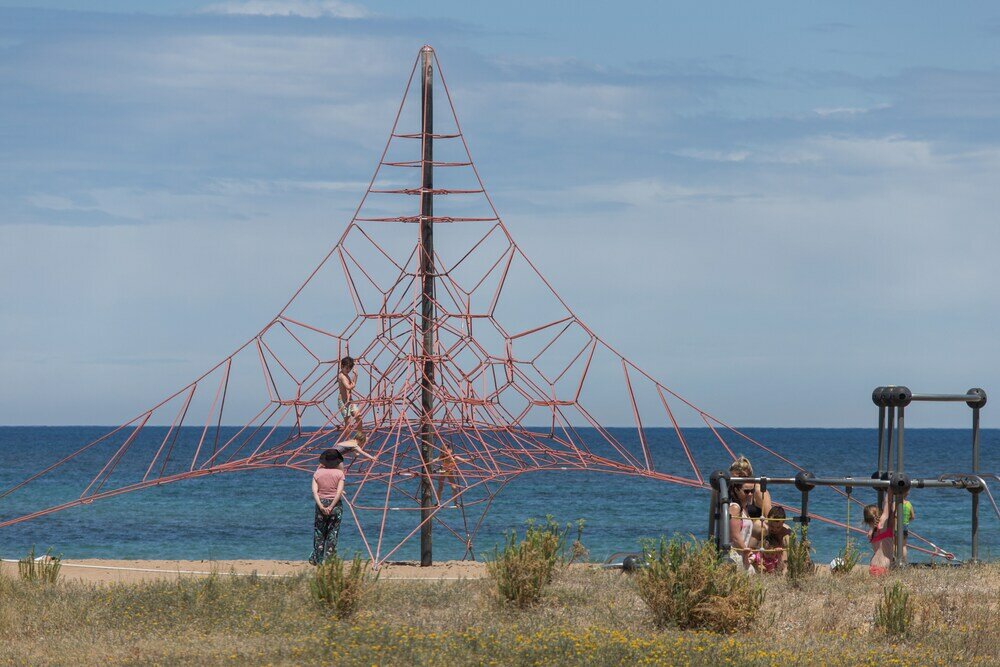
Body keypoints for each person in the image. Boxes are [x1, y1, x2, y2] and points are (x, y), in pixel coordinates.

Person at [309, 448, 345, 566]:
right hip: (335, 505)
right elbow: (339, 492)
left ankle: (317, 559)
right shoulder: (340, 474)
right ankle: (329, 560)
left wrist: (321, 505)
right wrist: (331, 506)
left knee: (319, 532)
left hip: (321, 503)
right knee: (333, 532)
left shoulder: (317, 473)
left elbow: (315, 491)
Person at [729, 456, 771, 546]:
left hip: (756, 533)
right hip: (742, 530)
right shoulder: (732, 490)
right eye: (732, 477)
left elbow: (769, 518)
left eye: (739, 477)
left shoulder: (758, 490)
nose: (735, 481)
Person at [863, 490, 895, 576]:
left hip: (872, 566)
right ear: (878, 513)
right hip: (884, 566)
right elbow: (887, 504)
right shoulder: (882, 526)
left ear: (865, 521)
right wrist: (890, 490)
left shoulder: (870, 533)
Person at [728, 480, 757, 573]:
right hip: (736, 554)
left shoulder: (745, 508)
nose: (750, 494)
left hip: (742, 553)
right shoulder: (735, 508)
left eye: (752, 491)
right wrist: (748, 553)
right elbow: (735, 536)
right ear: (736, 490)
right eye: (746, 491)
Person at [755, 506, 791, 574]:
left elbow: (786, 558)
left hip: (778, 563)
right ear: (767, 519)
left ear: (783, 523)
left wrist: (784, 569)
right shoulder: (760, 526)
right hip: (761, 560)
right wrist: (758, 564)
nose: (774, 529)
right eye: (771, 526)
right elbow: (752, 548)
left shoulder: (785, 533)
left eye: (778, 527)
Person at [435, 441, 469, 506]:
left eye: (446, 450)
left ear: (450, 450)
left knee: (454, 488)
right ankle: (437, 503)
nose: (445, 452)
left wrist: (472, 459)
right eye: (443, 450)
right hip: (443, 472)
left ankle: (455, 503)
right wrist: (430, 461)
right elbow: (435, 460)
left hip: (450, 473)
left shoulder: (454, 457)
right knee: (440, 488)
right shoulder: (442, 456)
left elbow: (464, 460)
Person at [337, 356, 363, 439]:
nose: (348, 370)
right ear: (342, 366)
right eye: (346, 368)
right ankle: (347, 439)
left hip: (350, 401)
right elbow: (349, 386)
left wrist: (356, 376)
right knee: (348, 422)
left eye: (349, 369)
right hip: (343, 401)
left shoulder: (347, 375)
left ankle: (359, 437)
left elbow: (352, 384)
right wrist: (353, 384)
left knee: (358, 416)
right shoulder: (342, 376)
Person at [901, 497, 915, 561]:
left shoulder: (895, 504)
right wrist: (907, 520)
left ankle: (895, 561)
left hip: (896, 526)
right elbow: (912, 517)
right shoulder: (909, 504)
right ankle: (903, 561)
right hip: (905, 526)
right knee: (903, 546)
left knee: (894, 544)